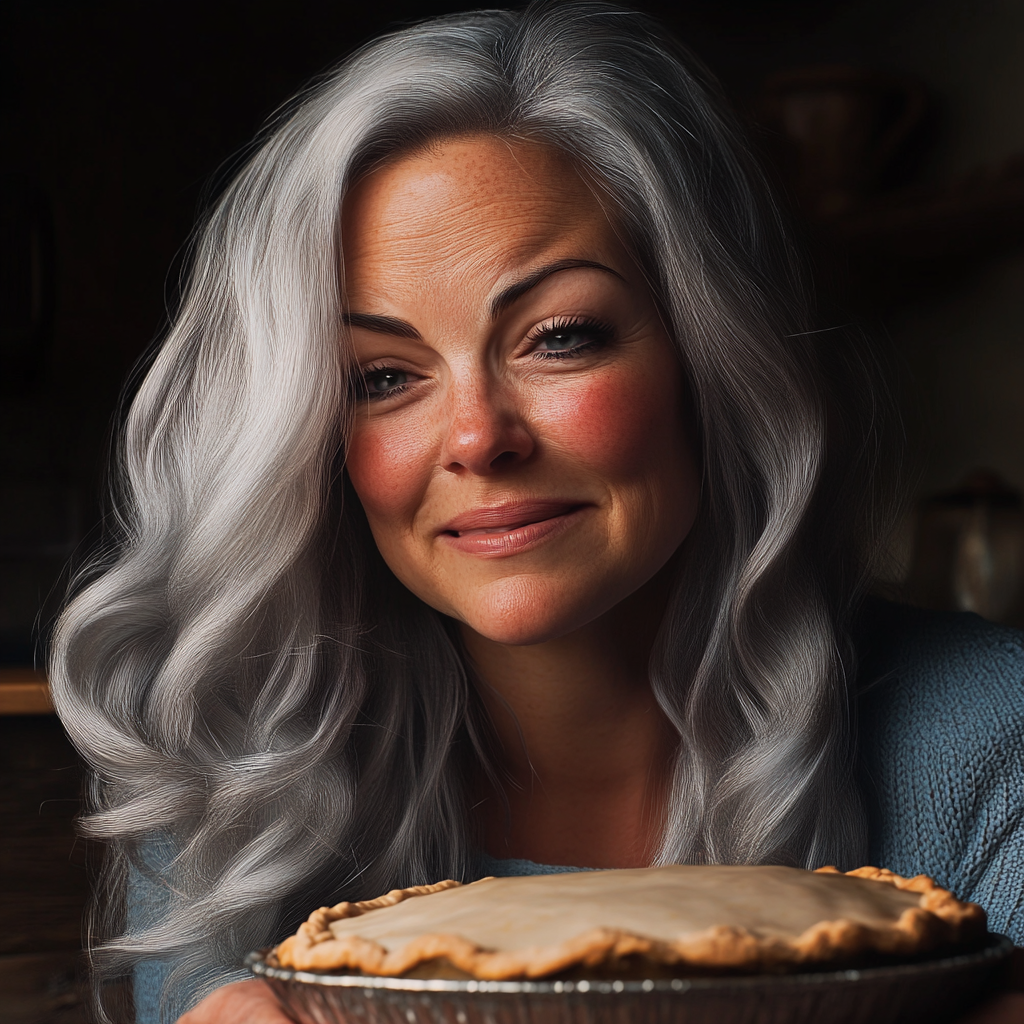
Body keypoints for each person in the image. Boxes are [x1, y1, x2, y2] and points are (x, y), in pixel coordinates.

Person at [48, 4, 1024, 1023]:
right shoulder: (248, 782)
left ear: (715, 355)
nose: (476, 437)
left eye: (558, 336)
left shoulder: (993, 746)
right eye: (382, 375)